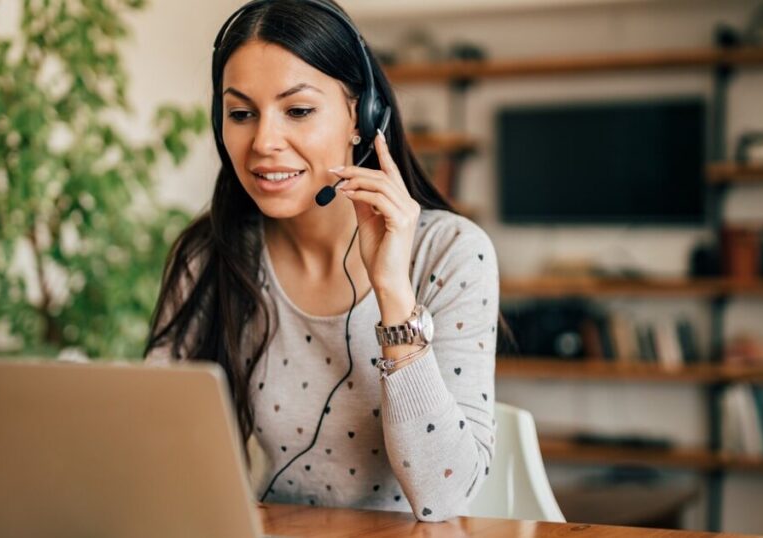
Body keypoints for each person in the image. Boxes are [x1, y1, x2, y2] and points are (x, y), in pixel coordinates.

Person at [144, 0, 500, 522]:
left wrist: (393, 294)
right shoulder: (213, 255)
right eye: (241, 113)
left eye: (298, 110)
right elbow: (152, 443)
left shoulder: (450, 252)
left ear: (361, 116)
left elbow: (442, 498)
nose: (264, 141)